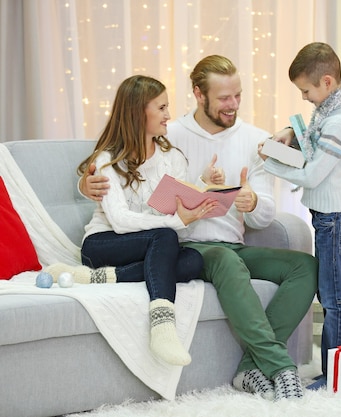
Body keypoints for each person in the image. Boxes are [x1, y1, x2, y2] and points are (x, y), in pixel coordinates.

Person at [81, 56, 318, 401]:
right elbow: (123, 174)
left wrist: (252, 203)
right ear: (199, 94)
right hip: (193, 245)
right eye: (224, 98)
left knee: (304, 266)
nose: (233, 105)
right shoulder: (170, 134)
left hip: (231, 244)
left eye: (238, 95)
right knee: (224, 259)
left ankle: (250, 367)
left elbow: (263, 216)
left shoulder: (255, 140)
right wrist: (86, 186)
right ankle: (281, 367)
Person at [46, 75, 218, 367]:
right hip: (102, 244)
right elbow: (122, 222)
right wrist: (176, 222)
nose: (168, 115)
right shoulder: (107, 160)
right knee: (166, 237)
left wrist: (201, 190)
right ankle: (163, 323)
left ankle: (100, 278)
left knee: (192, 261)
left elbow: (179, 216)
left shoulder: (172, 158)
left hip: (148, 245)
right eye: (161, 108)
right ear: (139, 113)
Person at [259, 42, 341, 389]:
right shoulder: (330, 111)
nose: (305, 97)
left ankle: (338, 375)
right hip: (330, 214)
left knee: (334, 299)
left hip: (336, 216)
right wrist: (291, 133)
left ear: (327, 82)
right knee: (334, 295)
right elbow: (314, 146)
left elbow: (312, 173)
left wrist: (271, 160)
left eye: (306, 90)